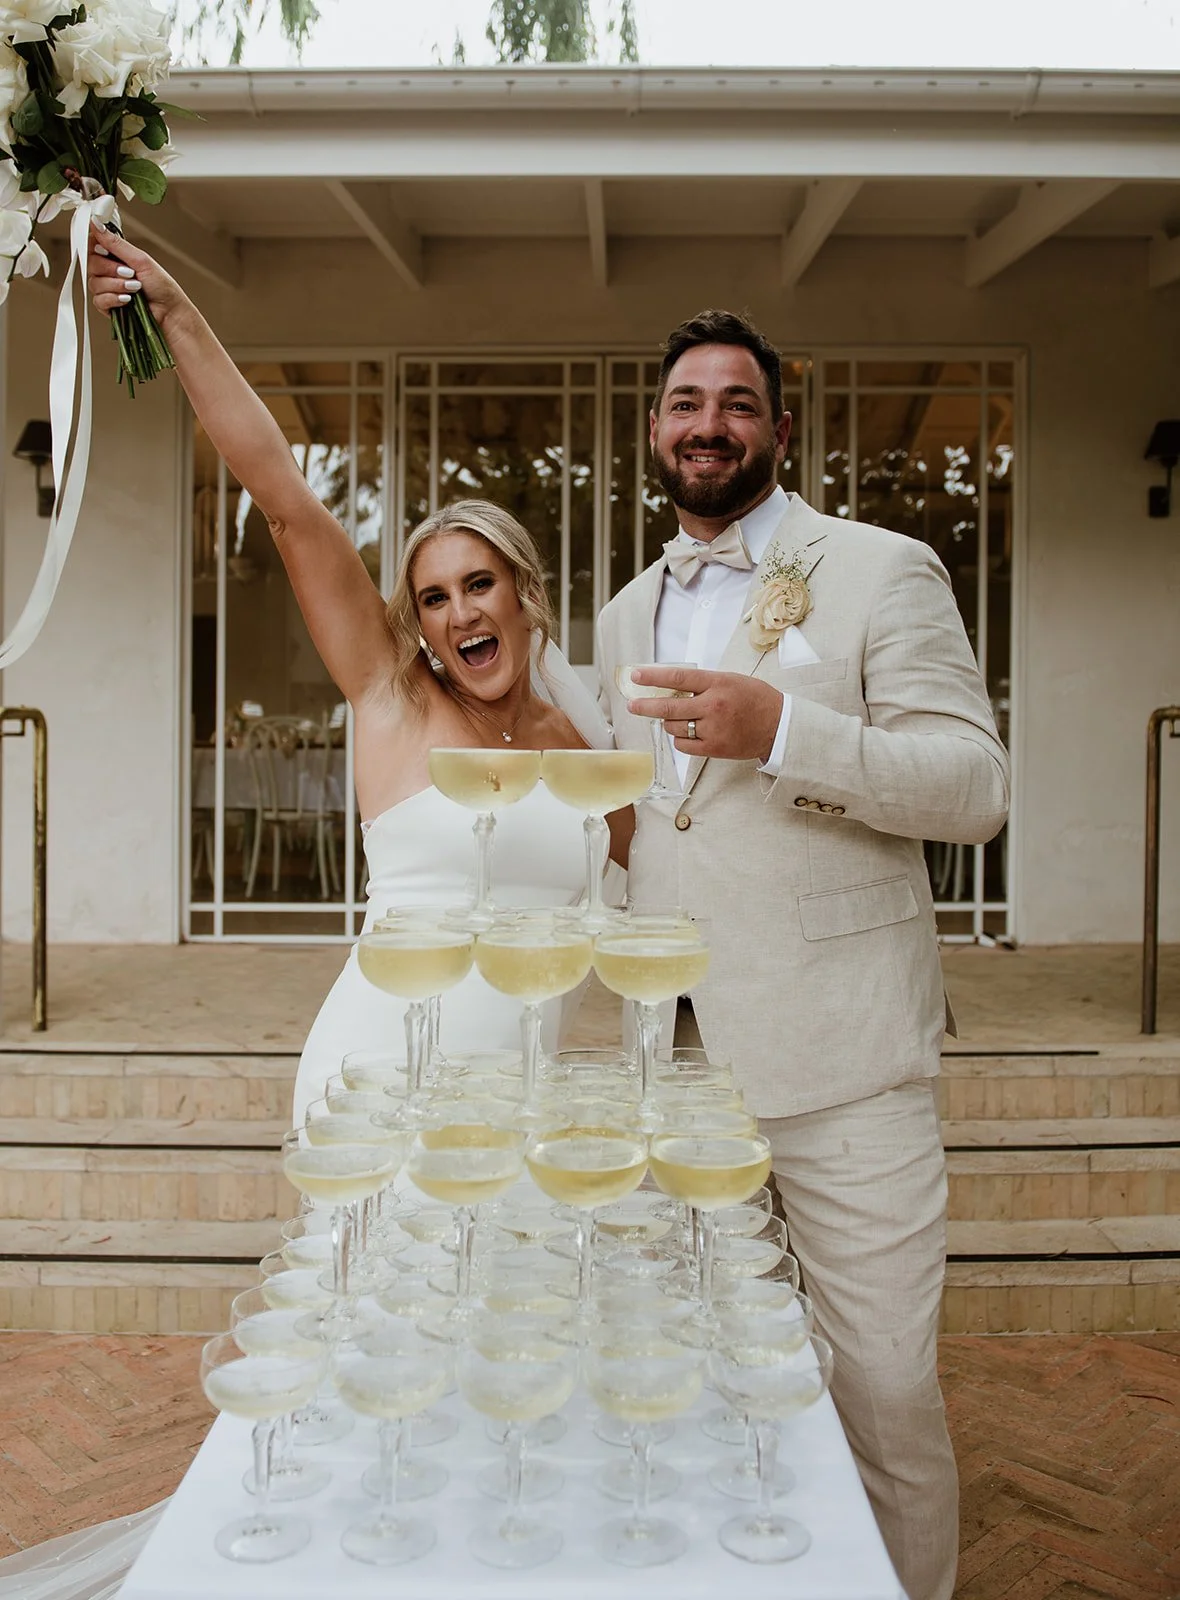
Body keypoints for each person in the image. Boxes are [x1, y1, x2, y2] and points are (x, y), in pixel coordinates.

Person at [596, 309, 1009, 1600]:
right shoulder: (624, 613)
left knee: (881, 1388)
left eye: (733, 402)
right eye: (682, 402)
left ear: (779, 427)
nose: (706, 423)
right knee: (716, 1382)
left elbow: (973, 787)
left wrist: (786, 730)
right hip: (681, 1063)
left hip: (845, 1061)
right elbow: (659, 827)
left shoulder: (883, 569)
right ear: (653, 432)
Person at [87, 230, 620, 1124]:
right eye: (436, 599)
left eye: (480, 584)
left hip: (524, 1106)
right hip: (380, 1085)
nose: (460, 615)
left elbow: (673, 880)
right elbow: (287, 503)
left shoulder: (582, 744)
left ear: (527, 593)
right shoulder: (396, 697)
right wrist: (175, 314)